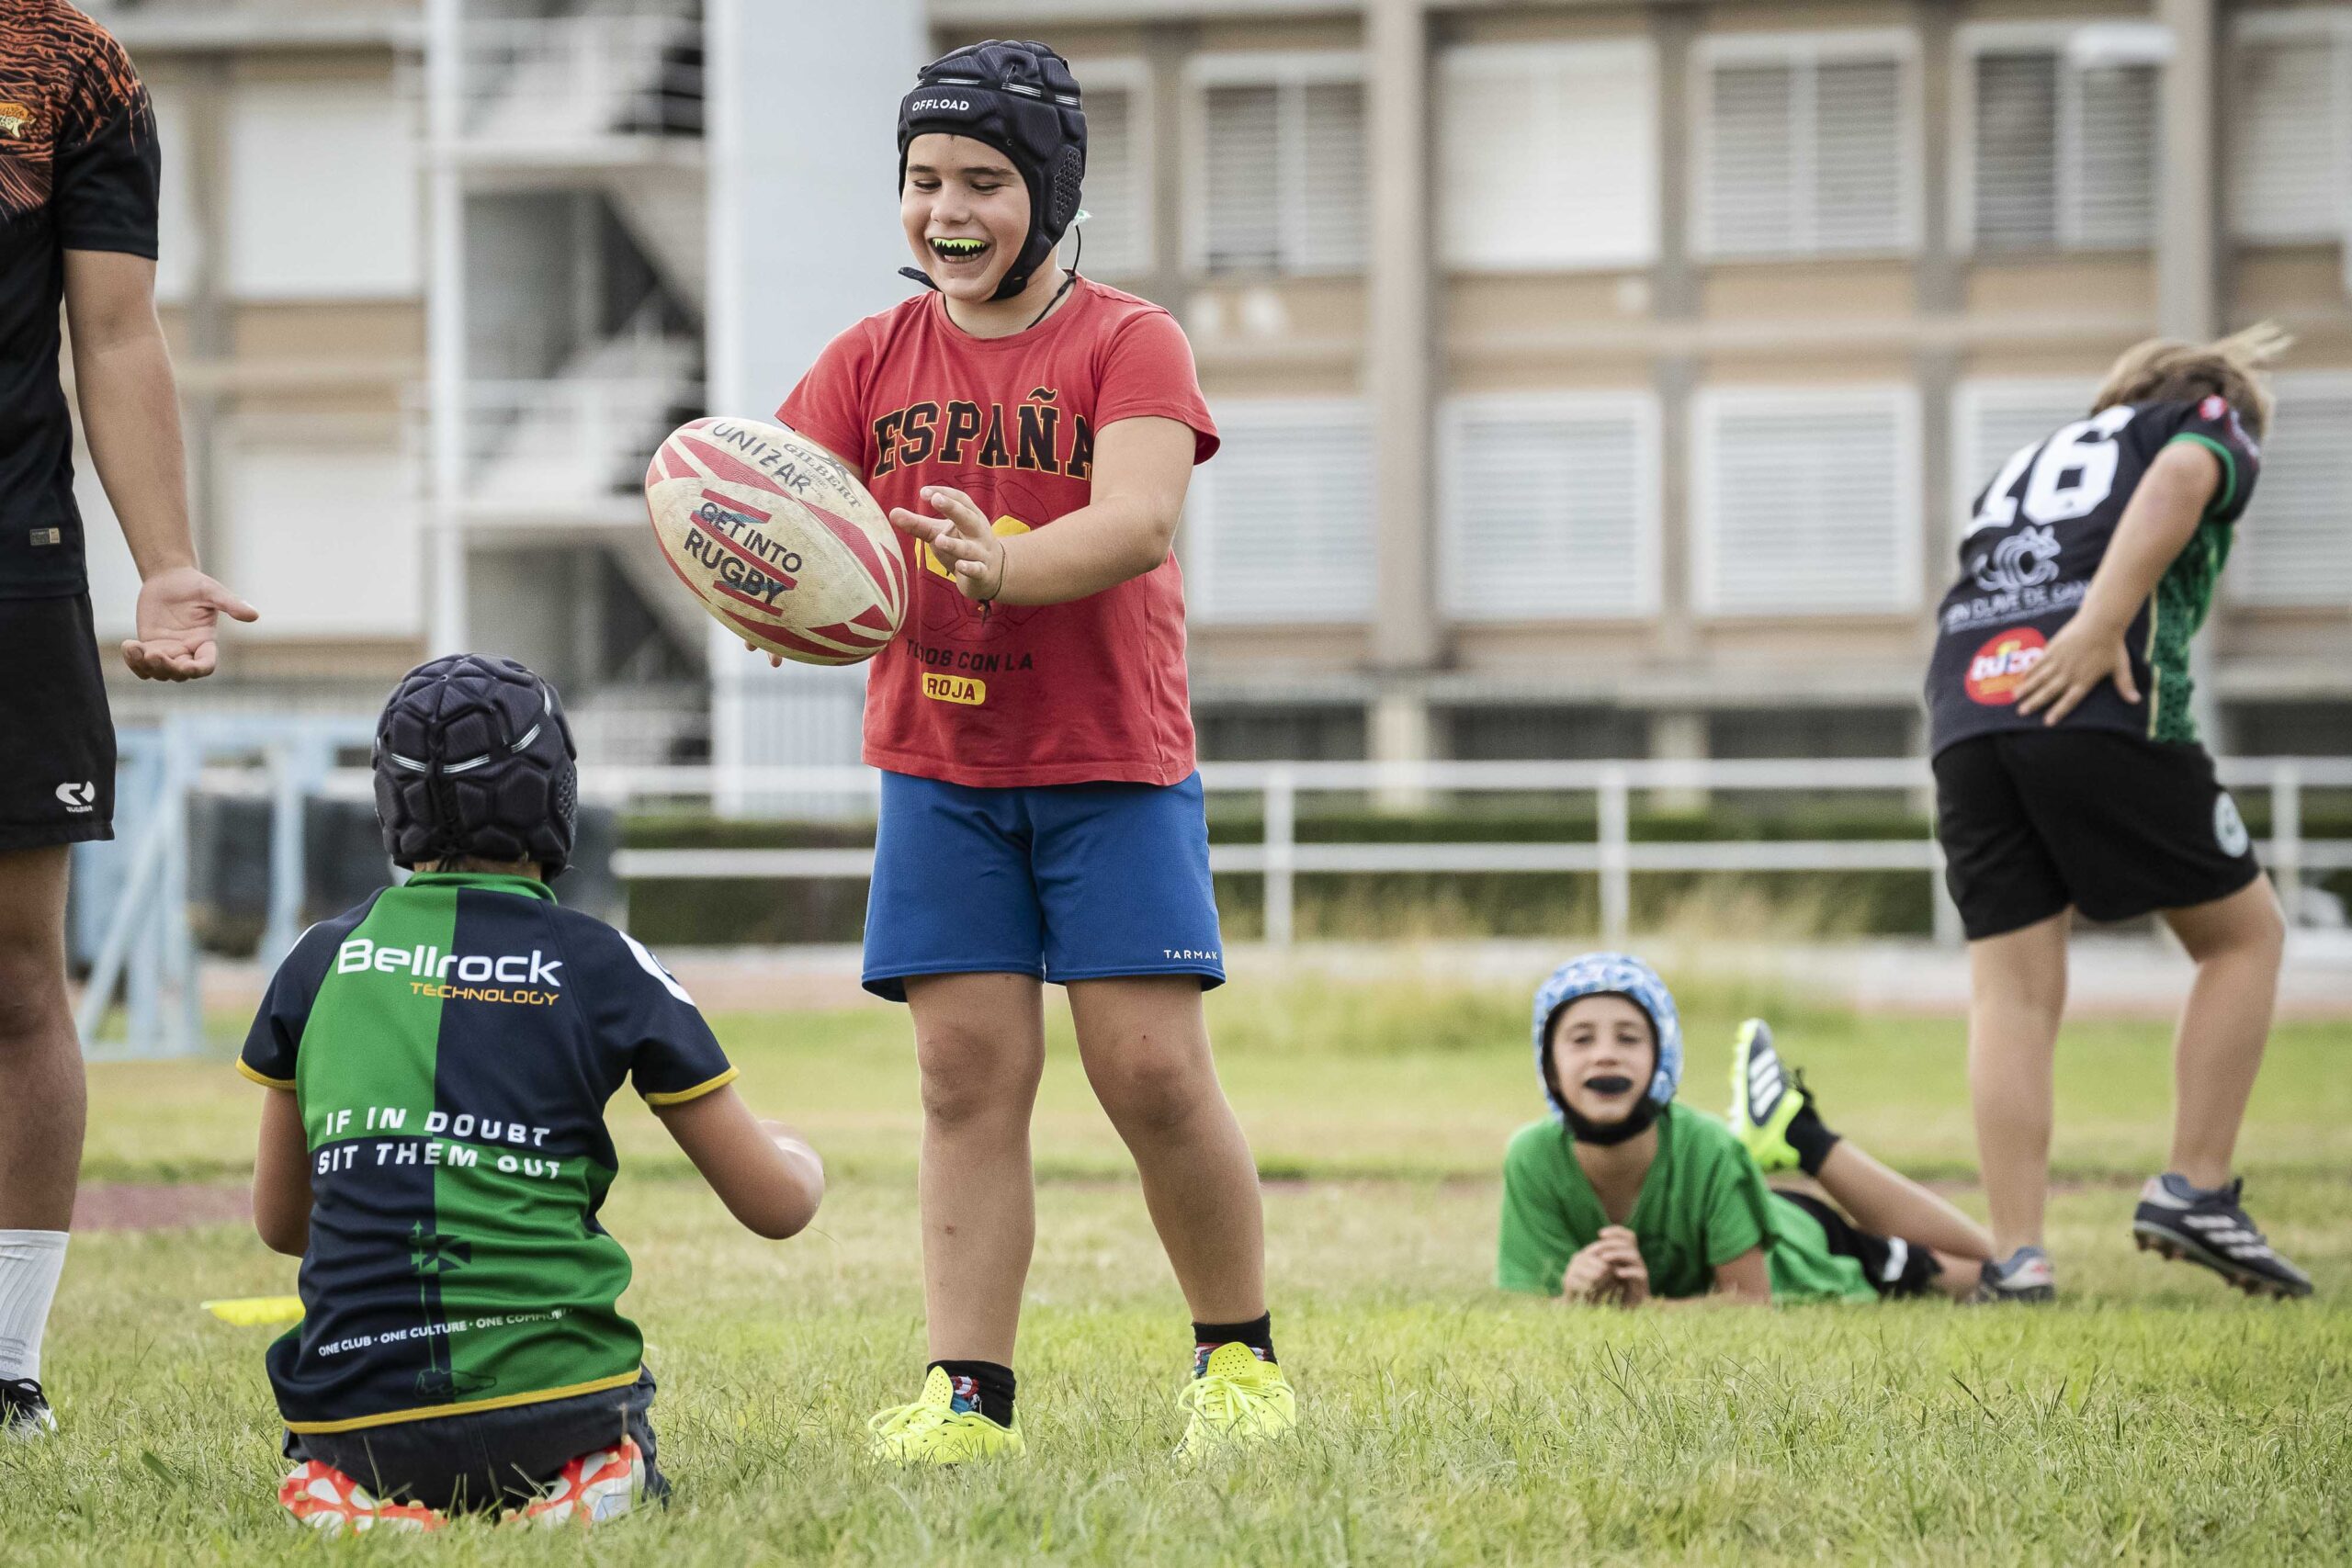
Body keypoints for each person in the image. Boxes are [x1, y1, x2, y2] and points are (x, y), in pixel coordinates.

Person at [766, 39, 1292, 1463]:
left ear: (1049, 193)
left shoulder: (1131, 341)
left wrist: (998, 564)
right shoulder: (866, 358)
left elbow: (1137, 521)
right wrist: (770, 595)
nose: (948, 209)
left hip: (1111, 761)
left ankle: (1237, 1362)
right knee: (963, 1077)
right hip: (940, 768)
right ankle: (968, 1397)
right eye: (924, 178)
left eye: (984, 181)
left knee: (1153, 1072)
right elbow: (787, 514)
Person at [240, 656, 825, 1530]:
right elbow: (775, 1206)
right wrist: (799, 1157)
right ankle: (587, 1480)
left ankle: (345, 1495)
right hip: (557, 1411)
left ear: (390, 800)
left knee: (354, 1441)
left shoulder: (318, 959)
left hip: (353, 1420)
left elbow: (284, 1224)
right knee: (591, 1416)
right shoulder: (604, 960)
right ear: (556, 793)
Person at [1926, 326, 2310, 1302]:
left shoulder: (2031, 459)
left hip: (1967, 712)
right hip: (2095, 692)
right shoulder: (2201, 418)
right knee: (2245, 937)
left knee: (2011, 992)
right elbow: (2184, 473)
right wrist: (2099, 625)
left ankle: (2018, 1256)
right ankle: (2196, 1186)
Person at [0, 0, 258, 1440]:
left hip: (11, 568)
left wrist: (165, 560)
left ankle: (6, 1360)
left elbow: (114, 328)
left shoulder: (72, 66)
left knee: (15, 979)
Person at [1498, 954, 1996, 1306]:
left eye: (1629, 1038)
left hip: (1804, 1250)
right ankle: (1798, 1134)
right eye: (1581, 1039)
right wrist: (1573, 1297)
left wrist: (1642, 1309)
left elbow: (1750, 1303)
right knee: (2005, 1272)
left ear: (1662, 1059)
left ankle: (1803, 1136)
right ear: (1550, 1066)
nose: (1605, 1054)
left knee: (1997, 1275)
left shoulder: (1710, 1146)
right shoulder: (1531, 1155)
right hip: (1761, 1207)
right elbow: (1528, 1305)